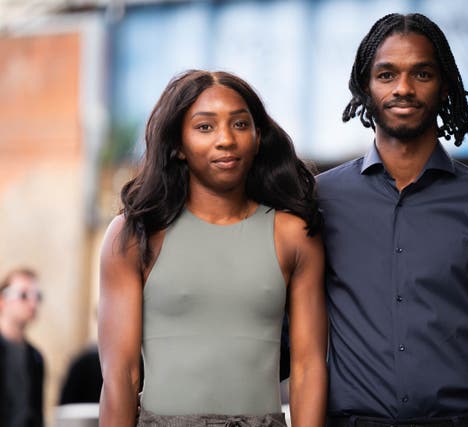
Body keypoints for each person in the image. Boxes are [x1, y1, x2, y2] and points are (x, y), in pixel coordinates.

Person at [317, 13, 468, 427]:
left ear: (445, 88)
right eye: (386, 74)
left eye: (421, 73)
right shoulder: (321, 200)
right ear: (365, 87)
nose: (403, 88)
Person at [98, 70, 327, 426]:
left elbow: (308, 368)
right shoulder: (133, 234)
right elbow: (120, 376)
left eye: (239, 124)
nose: (226, 140)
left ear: (258, 136)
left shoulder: (293, 234)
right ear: (177, 145)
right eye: (205, 127)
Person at [0, 268, 45, 427]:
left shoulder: (35, 357)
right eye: (23, 295)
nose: (33, 303)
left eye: (37, 296)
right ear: (2, 300)